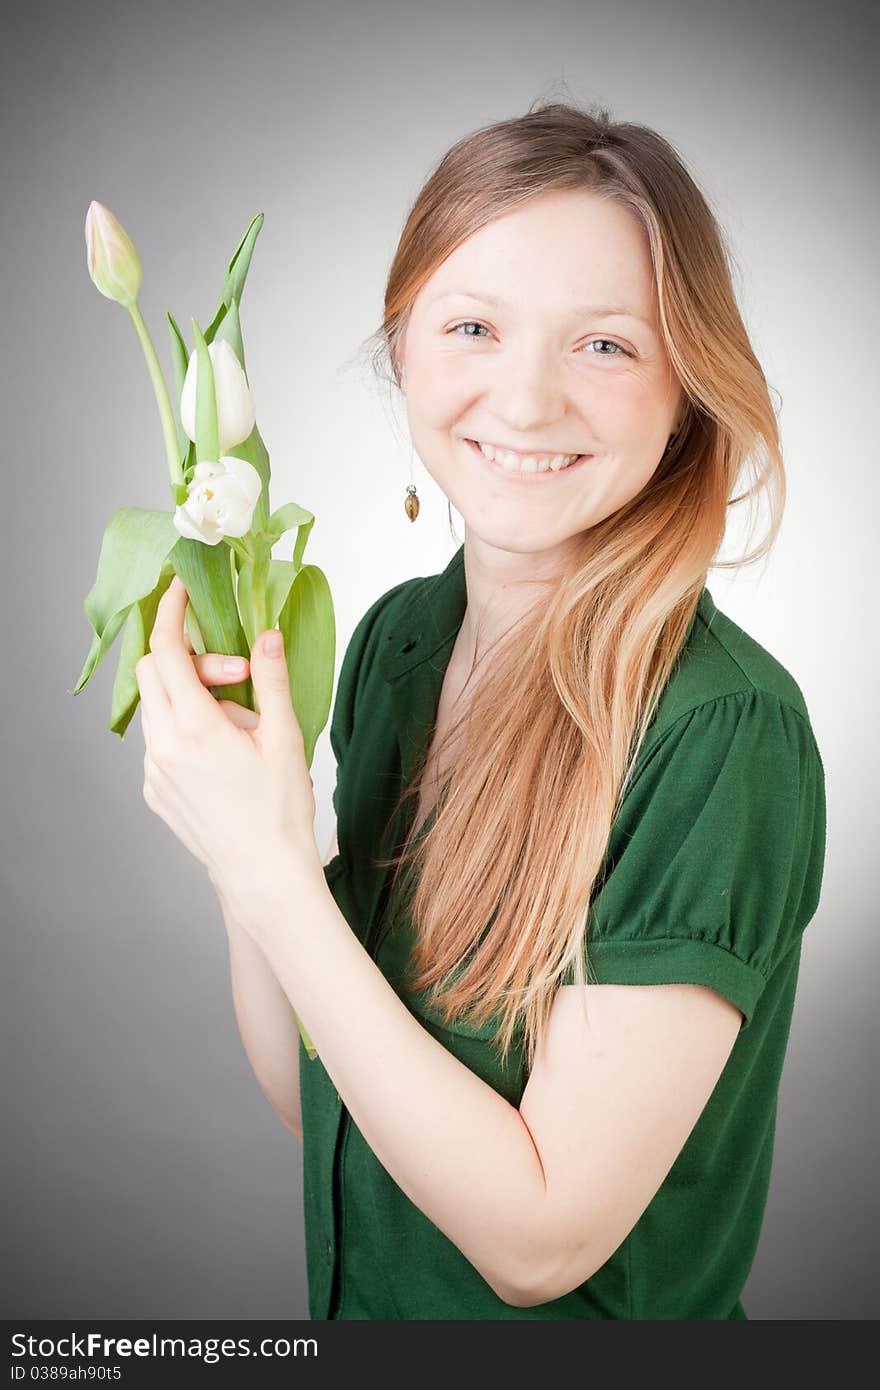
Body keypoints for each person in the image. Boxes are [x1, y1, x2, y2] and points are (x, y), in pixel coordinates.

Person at [214, 101, 827, 1319]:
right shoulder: (398, 642)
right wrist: (257, 821)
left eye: (604, 345)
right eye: (474, 327)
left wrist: (267, 870)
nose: (528, 401)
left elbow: (538, 1244)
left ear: (684, 388)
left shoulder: (719, 733)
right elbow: (319, 1089)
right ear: (405, 349)